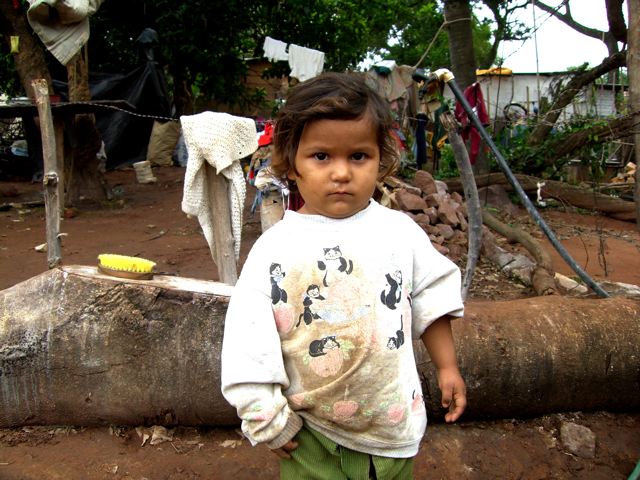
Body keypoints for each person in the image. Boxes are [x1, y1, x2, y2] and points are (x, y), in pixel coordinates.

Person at [221, 72, 466, 479]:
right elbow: (248, 339)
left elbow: (431, 296)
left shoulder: (399, 232)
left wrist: (447, 367)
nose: (341, 173)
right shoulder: (274, 249)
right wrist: (263, 416)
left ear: (380, 160)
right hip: (311, 434)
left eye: (358, 156)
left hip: (392, 426)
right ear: (292, 164)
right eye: (321, 156)